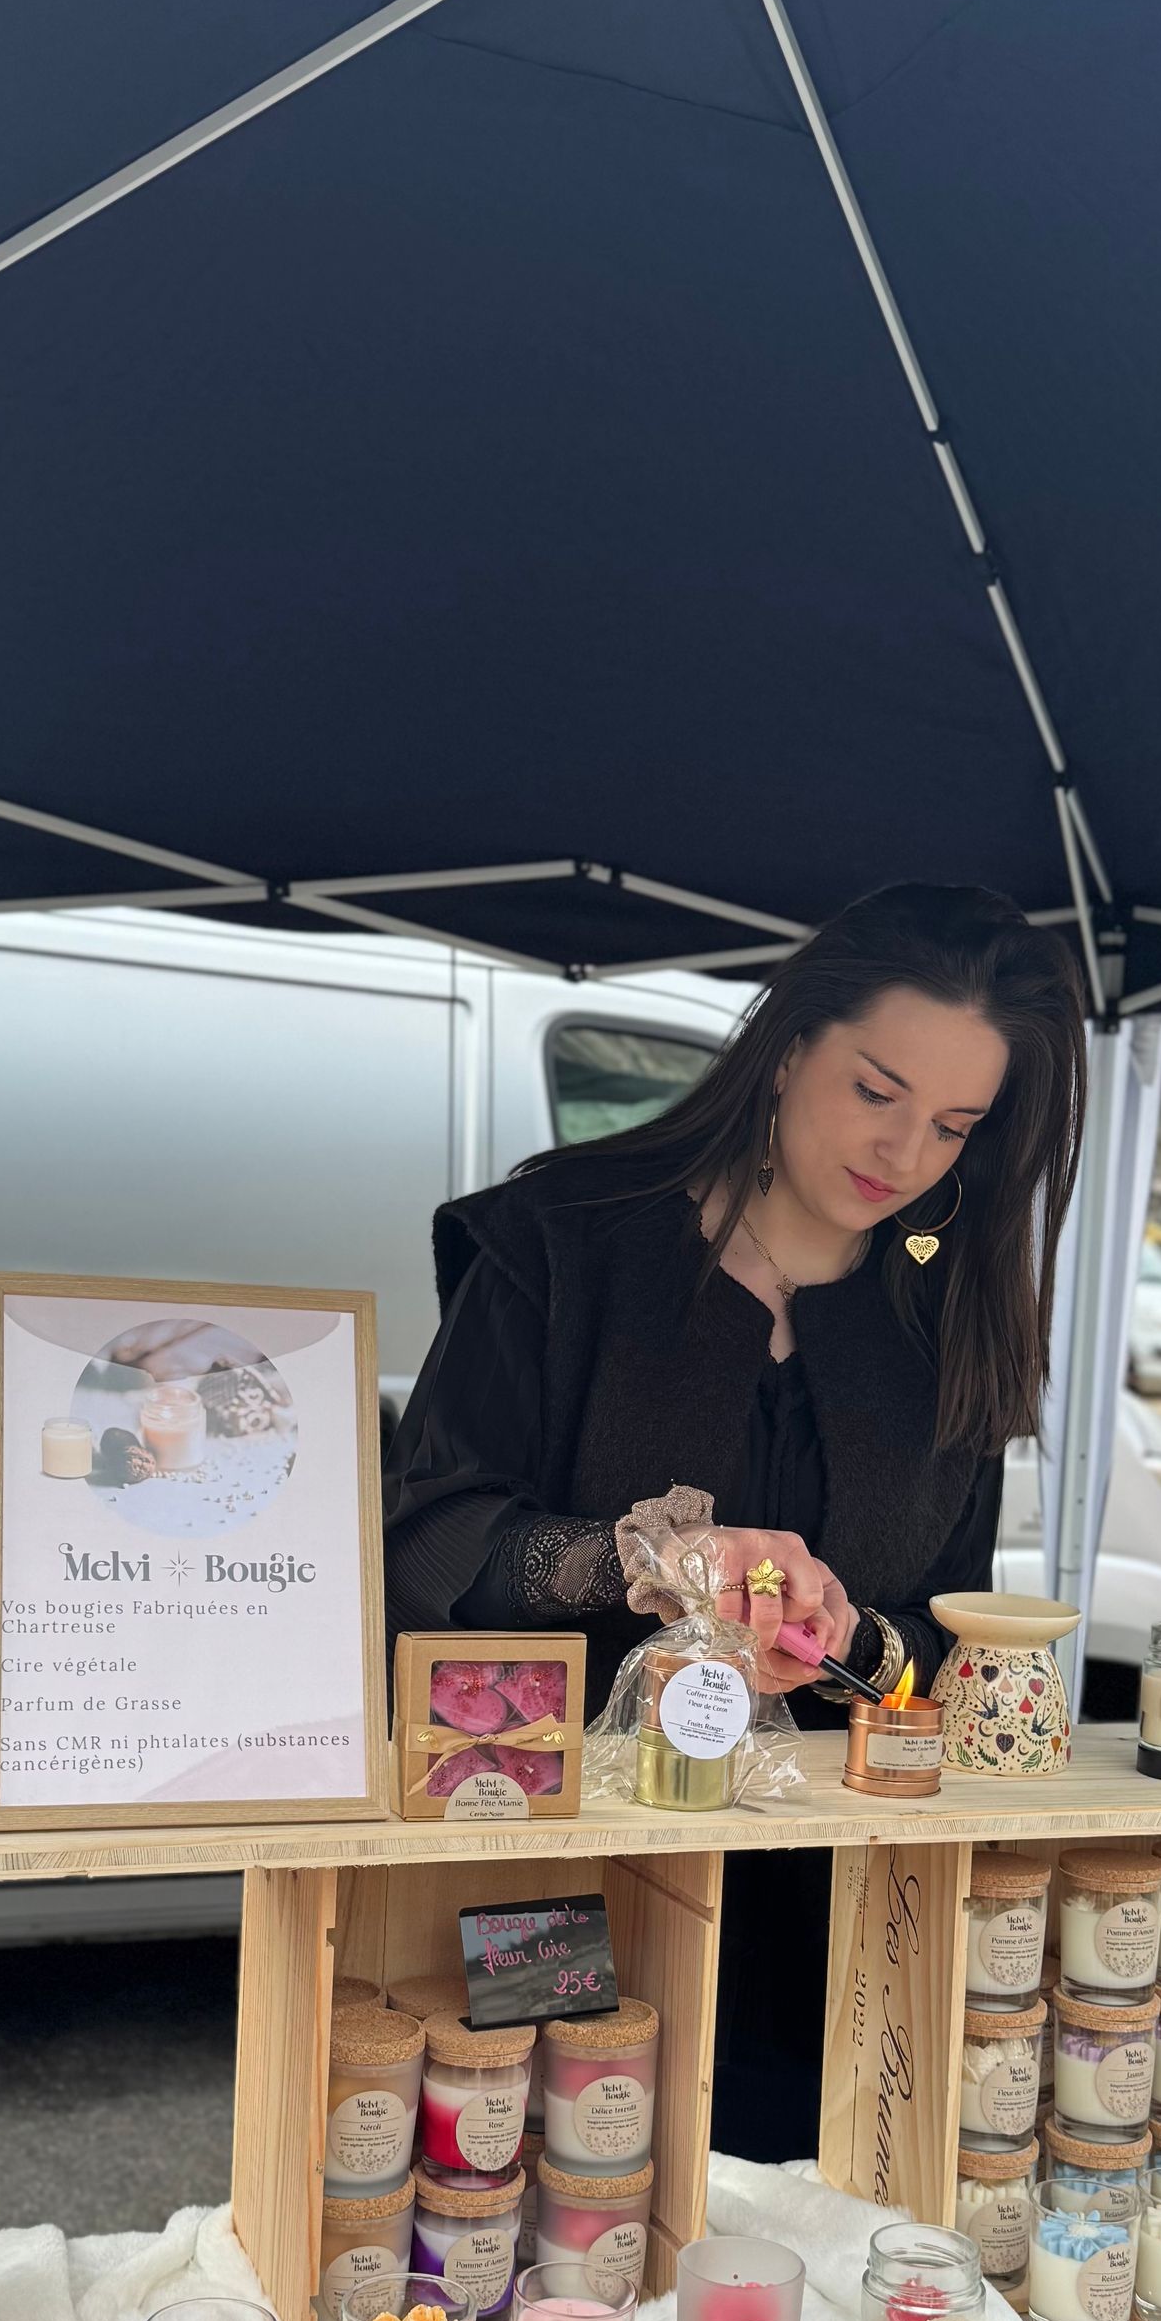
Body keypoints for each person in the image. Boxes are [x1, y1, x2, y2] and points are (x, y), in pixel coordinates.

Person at [384, 883, 1087, 2154]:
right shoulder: (565, 1239)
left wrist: (845, 1637)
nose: (904, 1154)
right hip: (550, 1883)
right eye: (875, 1090)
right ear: (787, 1046)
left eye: (952, 1125)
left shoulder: (945, 1314)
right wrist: (638, 1557)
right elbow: (429, 1541)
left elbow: (943, 1648)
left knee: (783, 2272)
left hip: (837, 1918)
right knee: (545, 2208)